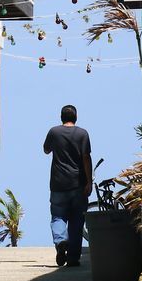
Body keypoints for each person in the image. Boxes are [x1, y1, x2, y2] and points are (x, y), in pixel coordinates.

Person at [43, 104, 92, 267]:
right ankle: (73, 258)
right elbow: (86, 158)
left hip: (58, 183)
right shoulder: (82, 134)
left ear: (61, 117)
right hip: (78, 184)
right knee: (77, 221)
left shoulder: (54, 132)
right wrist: (89, 181)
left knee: (58, 216)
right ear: (76, 117)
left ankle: (61, 241)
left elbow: (46, 150)